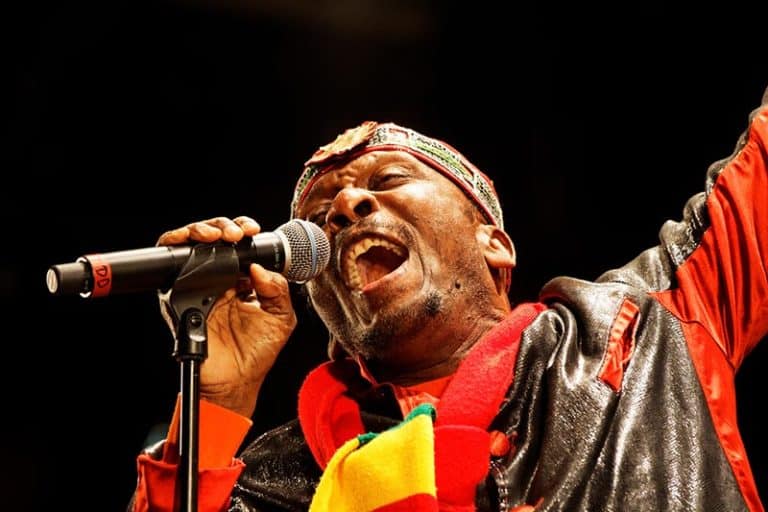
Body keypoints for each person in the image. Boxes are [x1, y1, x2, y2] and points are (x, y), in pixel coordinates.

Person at [129, 87, 768, 512]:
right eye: (321, 217)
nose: (346, 208)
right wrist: (214, 403)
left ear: (496, 245)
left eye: (389, 179)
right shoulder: (276, 483)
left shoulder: (644, 330)